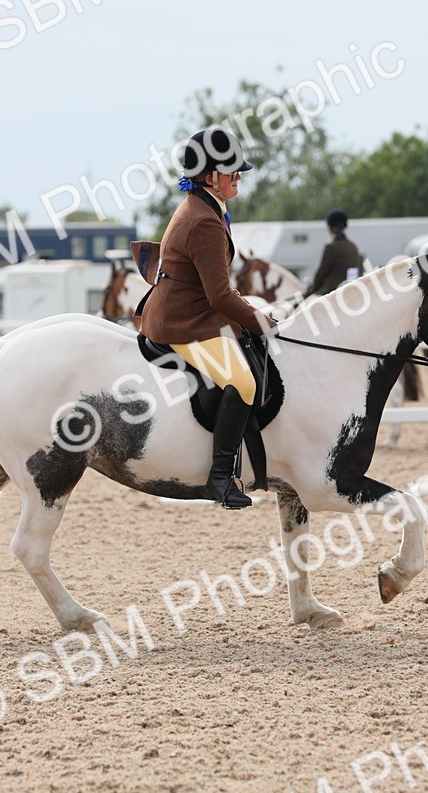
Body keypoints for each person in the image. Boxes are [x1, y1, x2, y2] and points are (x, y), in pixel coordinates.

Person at [138, 127, 275, 509]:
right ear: (211, 176)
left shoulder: (205, 206)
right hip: (183, 322)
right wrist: (259, 320)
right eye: (233, 172)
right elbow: (218, 295)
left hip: (190, 311)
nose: (240, 177)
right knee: (243, 382)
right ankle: (219, 478)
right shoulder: (203, 221)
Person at [305, 209, 363, 297]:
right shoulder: (353, 246)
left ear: (328, 228)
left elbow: (321, 272)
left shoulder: (331, 247)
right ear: (345, 227)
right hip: (351, 291)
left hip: (330, 291)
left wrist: (312, 290)